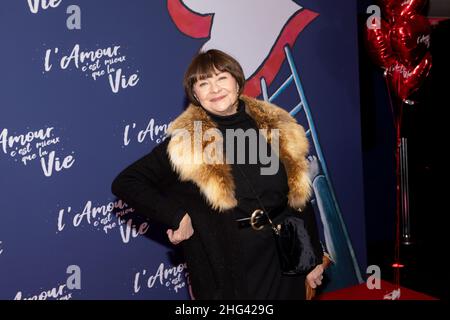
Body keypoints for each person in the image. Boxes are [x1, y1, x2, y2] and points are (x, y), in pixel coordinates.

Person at [111, 49, 328, 299]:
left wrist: (310, 257)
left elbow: (296, 199)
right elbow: (126, 182)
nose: (214, 89)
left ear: (237, 83)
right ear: (195, 95)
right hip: (230, 260)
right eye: (204, 83)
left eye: (222, 78)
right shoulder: (187, 142)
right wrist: (177, 216)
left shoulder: (274, 126)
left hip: (286, 251)